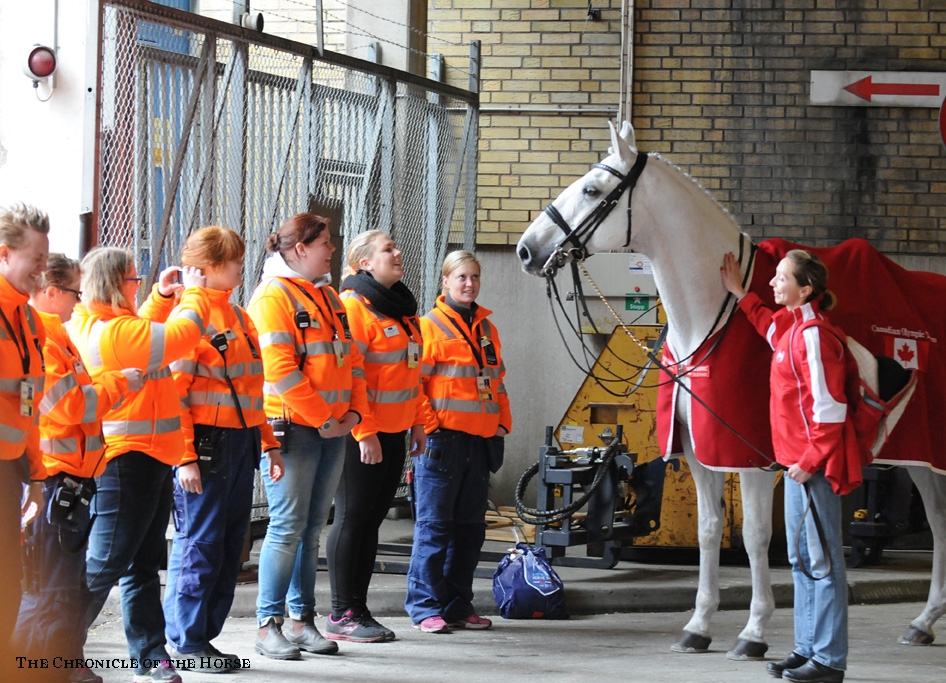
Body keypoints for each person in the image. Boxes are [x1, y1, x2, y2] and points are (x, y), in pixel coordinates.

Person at [71, 247, 211, 683]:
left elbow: (144, 331)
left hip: (142, 457)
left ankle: (150, 654)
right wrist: (194, 294)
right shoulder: (116, 332)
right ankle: (52, 647)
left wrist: (162, 297)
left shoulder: (103, 324)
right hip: (127, 459)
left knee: (140, 563)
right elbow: (178, 336)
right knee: (107, 564)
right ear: (115, 285)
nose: (138, 284)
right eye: (133, 279)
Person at [721, 249, 854, 683]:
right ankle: (806, 649)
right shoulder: (790, 331)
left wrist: (811, 461)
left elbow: (831, 409)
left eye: (781, 278)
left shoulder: (814, 334)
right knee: (801, 562)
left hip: (810, 468)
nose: (774, 283)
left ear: (806, 289)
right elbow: (765, 324)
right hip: (795, 466)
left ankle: (829, 661)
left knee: (823, 564)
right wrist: (741, 294)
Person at [162, 227, 285, 673]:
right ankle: (187, 641)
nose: (240, 264)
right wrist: (185, 457)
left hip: (241, 444)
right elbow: (174, 394)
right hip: (208, 447)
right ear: (210, 267)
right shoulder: (191, 315)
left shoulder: (237, 315)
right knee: (201, 544)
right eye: (233, 259)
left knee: (230, 545)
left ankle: (200, 639)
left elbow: (252, 390)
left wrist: (269, 444)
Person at [247, 213, 367, 660]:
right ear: (300, 250)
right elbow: (279, 371)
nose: (332, 249)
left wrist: (353, 414)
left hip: (331, 428)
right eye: (326, 242)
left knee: (312, 527)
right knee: (287, 527)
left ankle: (301, 622)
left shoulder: (327, 296)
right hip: (295, 430)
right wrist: (324, 419)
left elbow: (351, 360)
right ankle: (267, 625)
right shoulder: (272, 297)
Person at [325, 230, 429, 643]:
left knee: (370, 522)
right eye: (388, 250)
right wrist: (364, 431)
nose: (398, 252)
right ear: (364, 262)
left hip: (395, 432)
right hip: (361, 434)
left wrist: (419, 422)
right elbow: (353, 378)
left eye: (396, 247)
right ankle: (339, 613)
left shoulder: (401, 310)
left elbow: (411, 373)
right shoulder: (353, 306)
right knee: (352, 518)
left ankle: (358, 608)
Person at [404, 250, 511, 633]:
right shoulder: (428, 327)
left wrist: (502, 425)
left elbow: (496, 381)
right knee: (434, 529)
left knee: (469, 530)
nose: (469, 284)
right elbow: (413, 384)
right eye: (462, 277)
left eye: (475, 277)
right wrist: (431, 426)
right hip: (442, 444)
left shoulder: (486, 328)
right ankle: (424, 607)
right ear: (445, 282)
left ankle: (456, 605)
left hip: (479, 443)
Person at [0, 204, 49, 677]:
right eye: (35, 258)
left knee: (10, 577)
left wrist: (35, 473)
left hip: (11, 466)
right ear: (4, 253)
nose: (42, 269)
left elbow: (29, 405)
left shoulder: (29, 321)